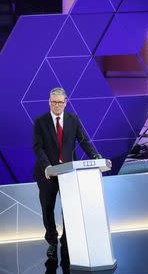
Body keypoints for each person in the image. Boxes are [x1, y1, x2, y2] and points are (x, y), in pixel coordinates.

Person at [33, 86, 102, 260]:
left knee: (68, 209)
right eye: (53, 102)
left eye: (59, 102)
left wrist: (95, 156)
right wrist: (47, 166)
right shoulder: (40, 121)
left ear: (65, 103)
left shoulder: (73, 119)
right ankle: (52, 242)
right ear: (49, 102)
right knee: (47, 208)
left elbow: (84, 140)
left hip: (69, 173)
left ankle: (66, 240)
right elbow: (38, 147)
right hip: (47, 173)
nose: (56, 105)